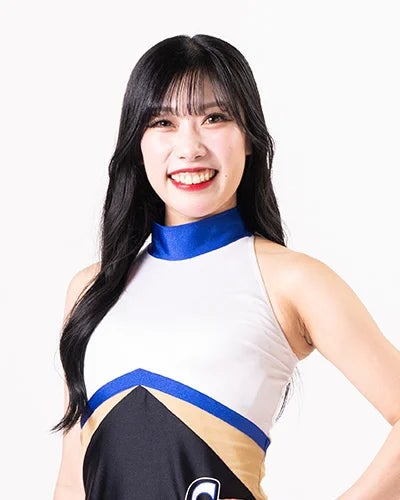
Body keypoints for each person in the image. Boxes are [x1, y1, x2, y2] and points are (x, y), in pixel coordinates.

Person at [52, 34, 400, 500]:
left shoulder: (290, 280)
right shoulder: (91, 290)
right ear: (138, 142)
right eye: (163, 122)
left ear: (249, 138)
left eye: (214, 118)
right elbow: (72, 479)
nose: (189, 147)